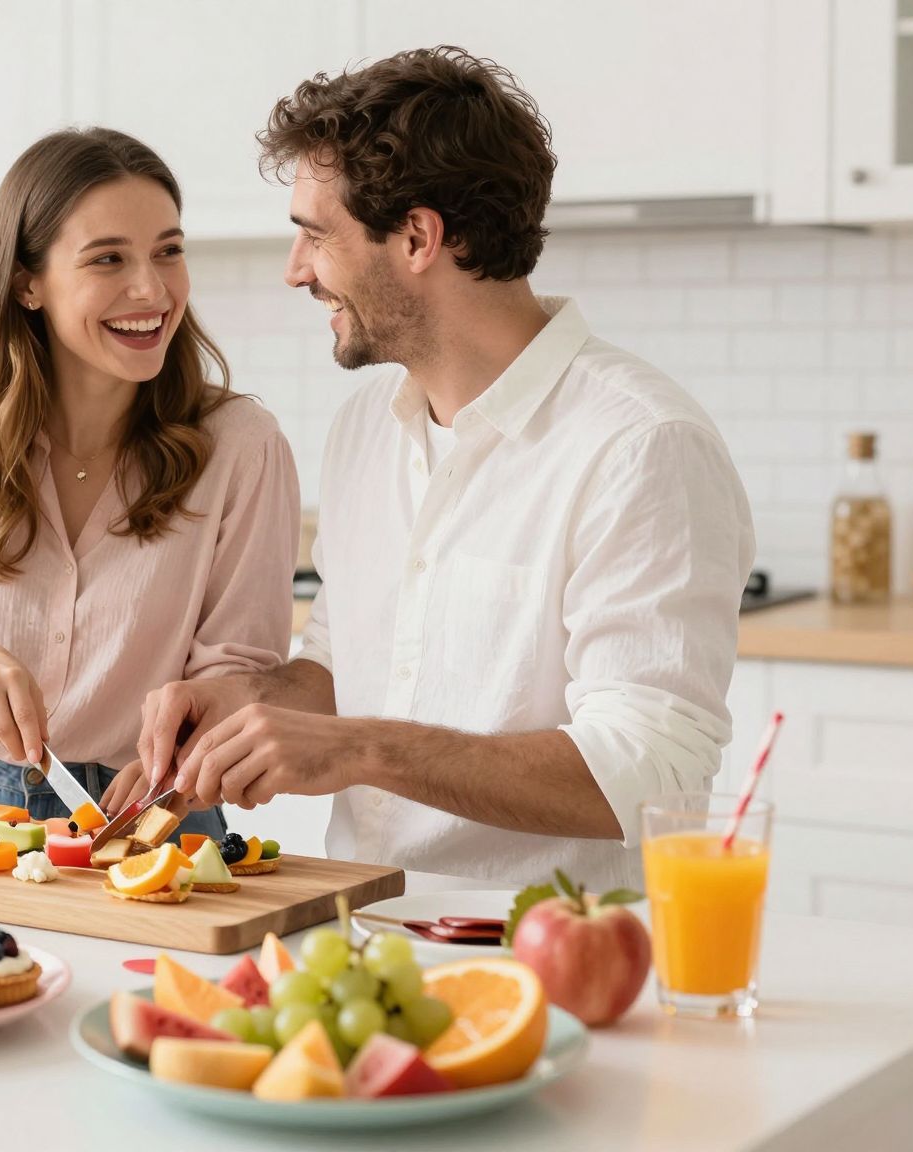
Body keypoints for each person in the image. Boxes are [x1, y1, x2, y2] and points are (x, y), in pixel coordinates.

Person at [121, 48, 755, 890]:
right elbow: (344, 663)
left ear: (417, 236)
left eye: (316, 234)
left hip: (544, 953)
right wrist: (251, 701)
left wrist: (362, 748)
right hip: (360, 928)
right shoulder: (366, 431)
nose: (296, 270)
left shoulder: (640, 445)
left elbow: (652, 776)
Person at [0, 127, 300, 842]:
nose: (151, 289)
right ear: (28, 283)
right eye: (108, 259)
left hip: (153, 822)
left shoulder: (241, 446)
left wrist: (194, 738)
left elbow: (243, 675)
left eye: (168, 252)